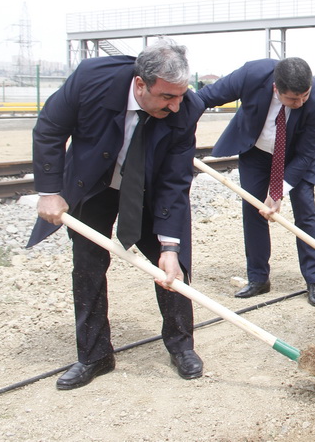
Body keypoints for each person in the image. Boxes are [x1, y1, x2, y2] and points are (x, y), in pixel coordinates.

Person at [30, 39, 205, 390]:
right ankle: (95, 356)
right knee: (88, 266)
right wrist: (50, 192)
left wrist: (170, 247)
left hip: (148, 190)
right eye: (166, 97)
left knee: (170, 266)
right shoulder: (91, 79)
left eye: (180, 96)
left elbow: (174, 180)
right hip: (93, 183)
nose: (175, 105)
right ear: (140, 84)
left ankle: (181, 346)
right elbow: (49, 128)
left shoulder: (186, 108)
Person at [197, 58, 315, 305]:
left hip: (297, 157)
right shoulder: (252, 74)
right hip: (257, 152)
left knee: (306, 212)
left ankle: (314, 280)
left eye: (304, 96)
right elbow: (205, 97)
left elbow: (306, 153)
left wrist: (278, 191)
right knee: (254, 209)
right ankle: (258, 279)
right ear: (276, 88)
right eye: (293, 99)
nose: (301, 103)